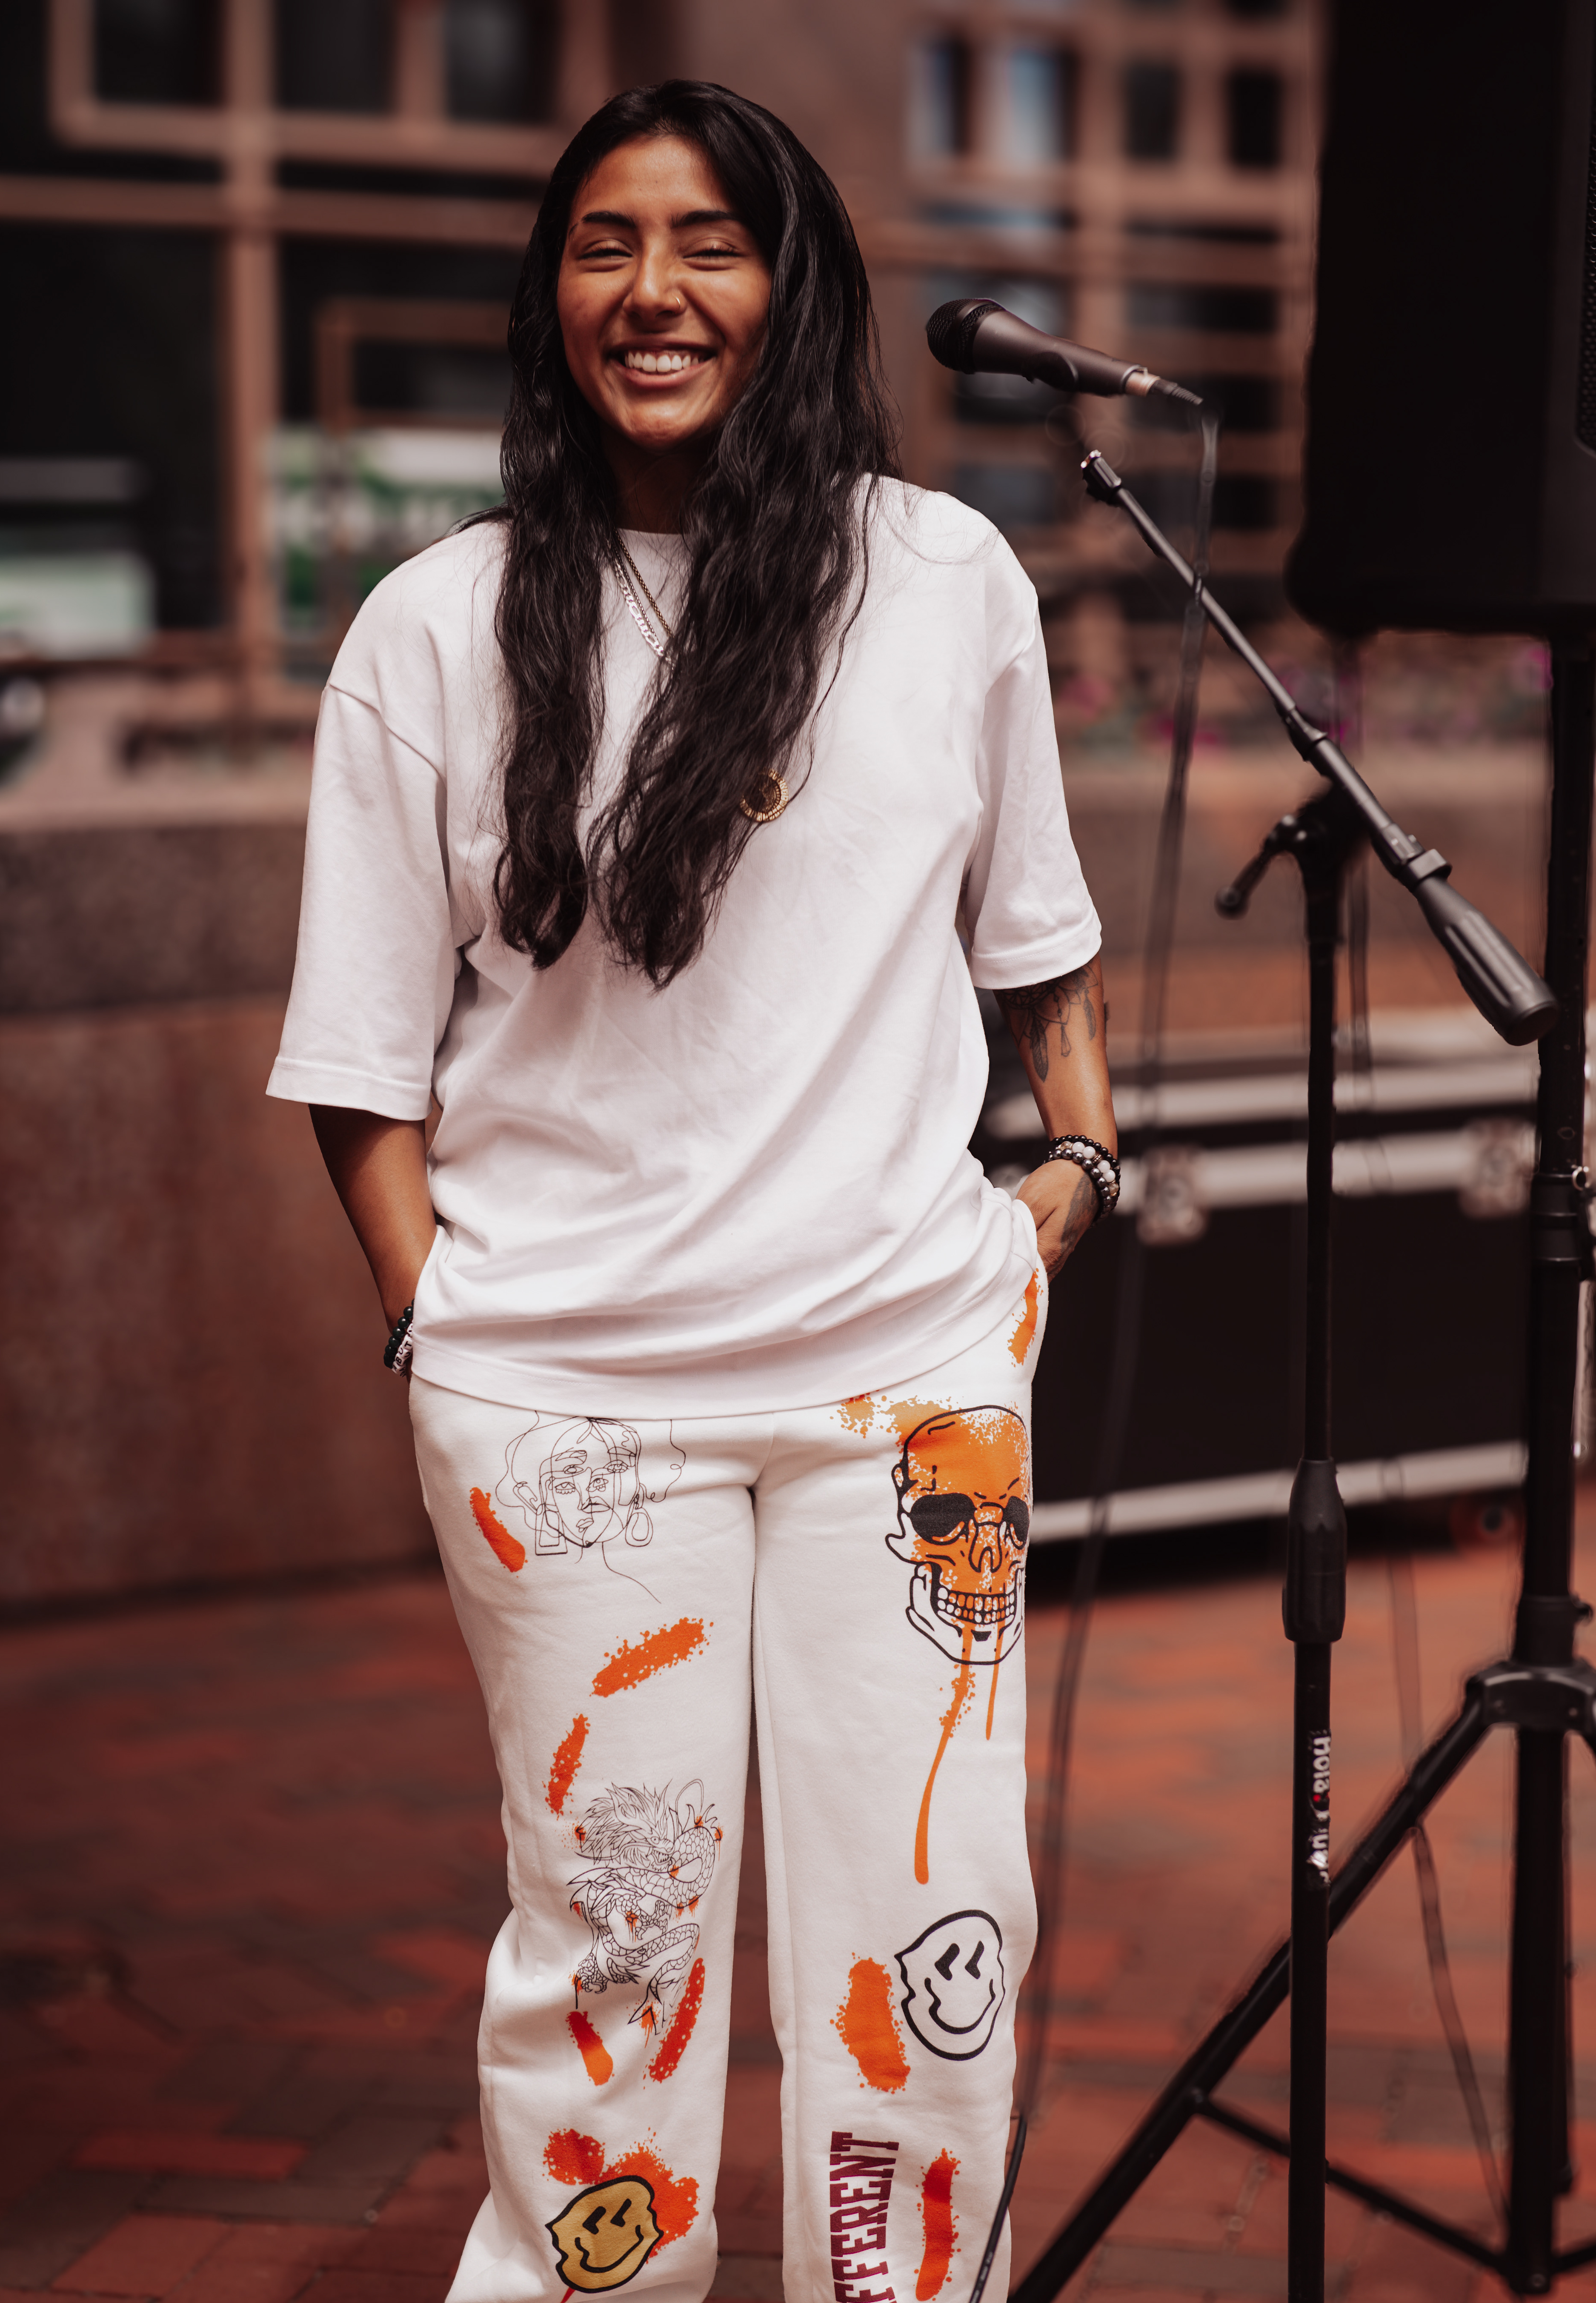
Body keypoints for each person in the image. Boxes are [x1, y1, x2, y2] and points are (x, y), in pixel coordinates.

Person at [268, 78, 1117, 2303]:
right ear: (551, 297)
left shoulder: (943, 580)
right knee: (613, 1965)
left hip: (906, 1397)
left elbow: (1038, 939)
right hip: (567, 1411)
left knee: (933, 1943)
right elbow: (355, 1063)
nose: (652, 291)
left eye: (709, 241)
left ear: (793, 283)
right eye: (604, 244)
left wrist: (1076, 1165)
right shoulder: (435, 625)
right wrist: (436, 1324)